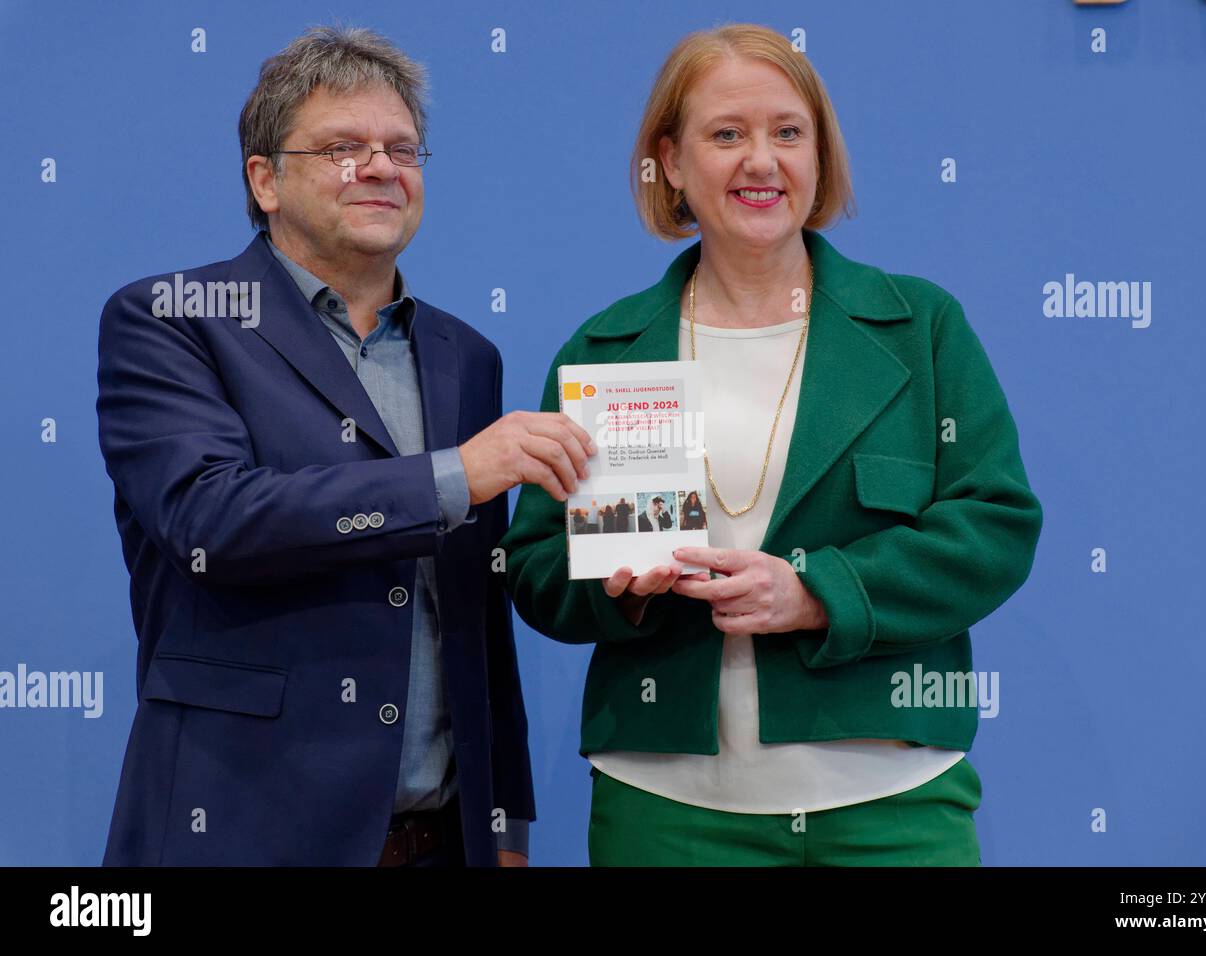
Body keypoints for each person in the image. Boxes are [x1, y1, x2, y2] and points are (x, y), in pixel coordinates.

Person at [499, 23, 1043, 866]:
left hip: (890, 803)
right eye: (727, 134)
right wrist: (625, 594)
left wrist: (818, 593)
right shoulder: (605, 350)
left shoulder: (920, 329)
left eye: (788, 132)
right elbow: (534, 566)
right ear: (671, 163)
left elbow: (996, 527)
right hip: (666, 810)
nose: (762, 161)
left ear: (819, 156)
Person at [96, 25, 596, 867]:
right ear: (265, 180)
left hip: (442, 839)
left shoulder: (466, 356)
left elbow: (474, 613)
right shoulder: (174, 318)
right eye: (341, 148)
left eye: (403, 149)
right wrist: (452, 478)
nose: (380, 168)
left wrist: (504, 822)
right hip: (241, 828)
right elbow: (210, 520)